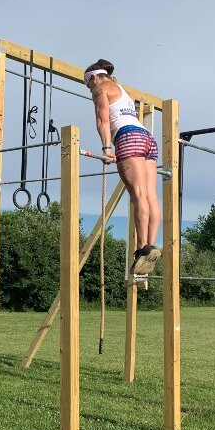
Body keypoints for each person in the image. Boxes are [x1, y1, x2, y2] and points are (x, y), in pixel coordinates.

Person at [85, 59, 161, 275]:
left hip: (128, 136)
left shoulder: (100, 88)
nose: (89, 89)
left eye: (88, 84)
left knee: (138, 196)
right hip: (146, 137)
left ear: (93, 77)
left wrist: (107, 148)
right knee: (150, 196)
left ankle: (142, 248)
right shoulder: (122, 90)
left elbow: (103, 120)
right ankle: (151, 245)